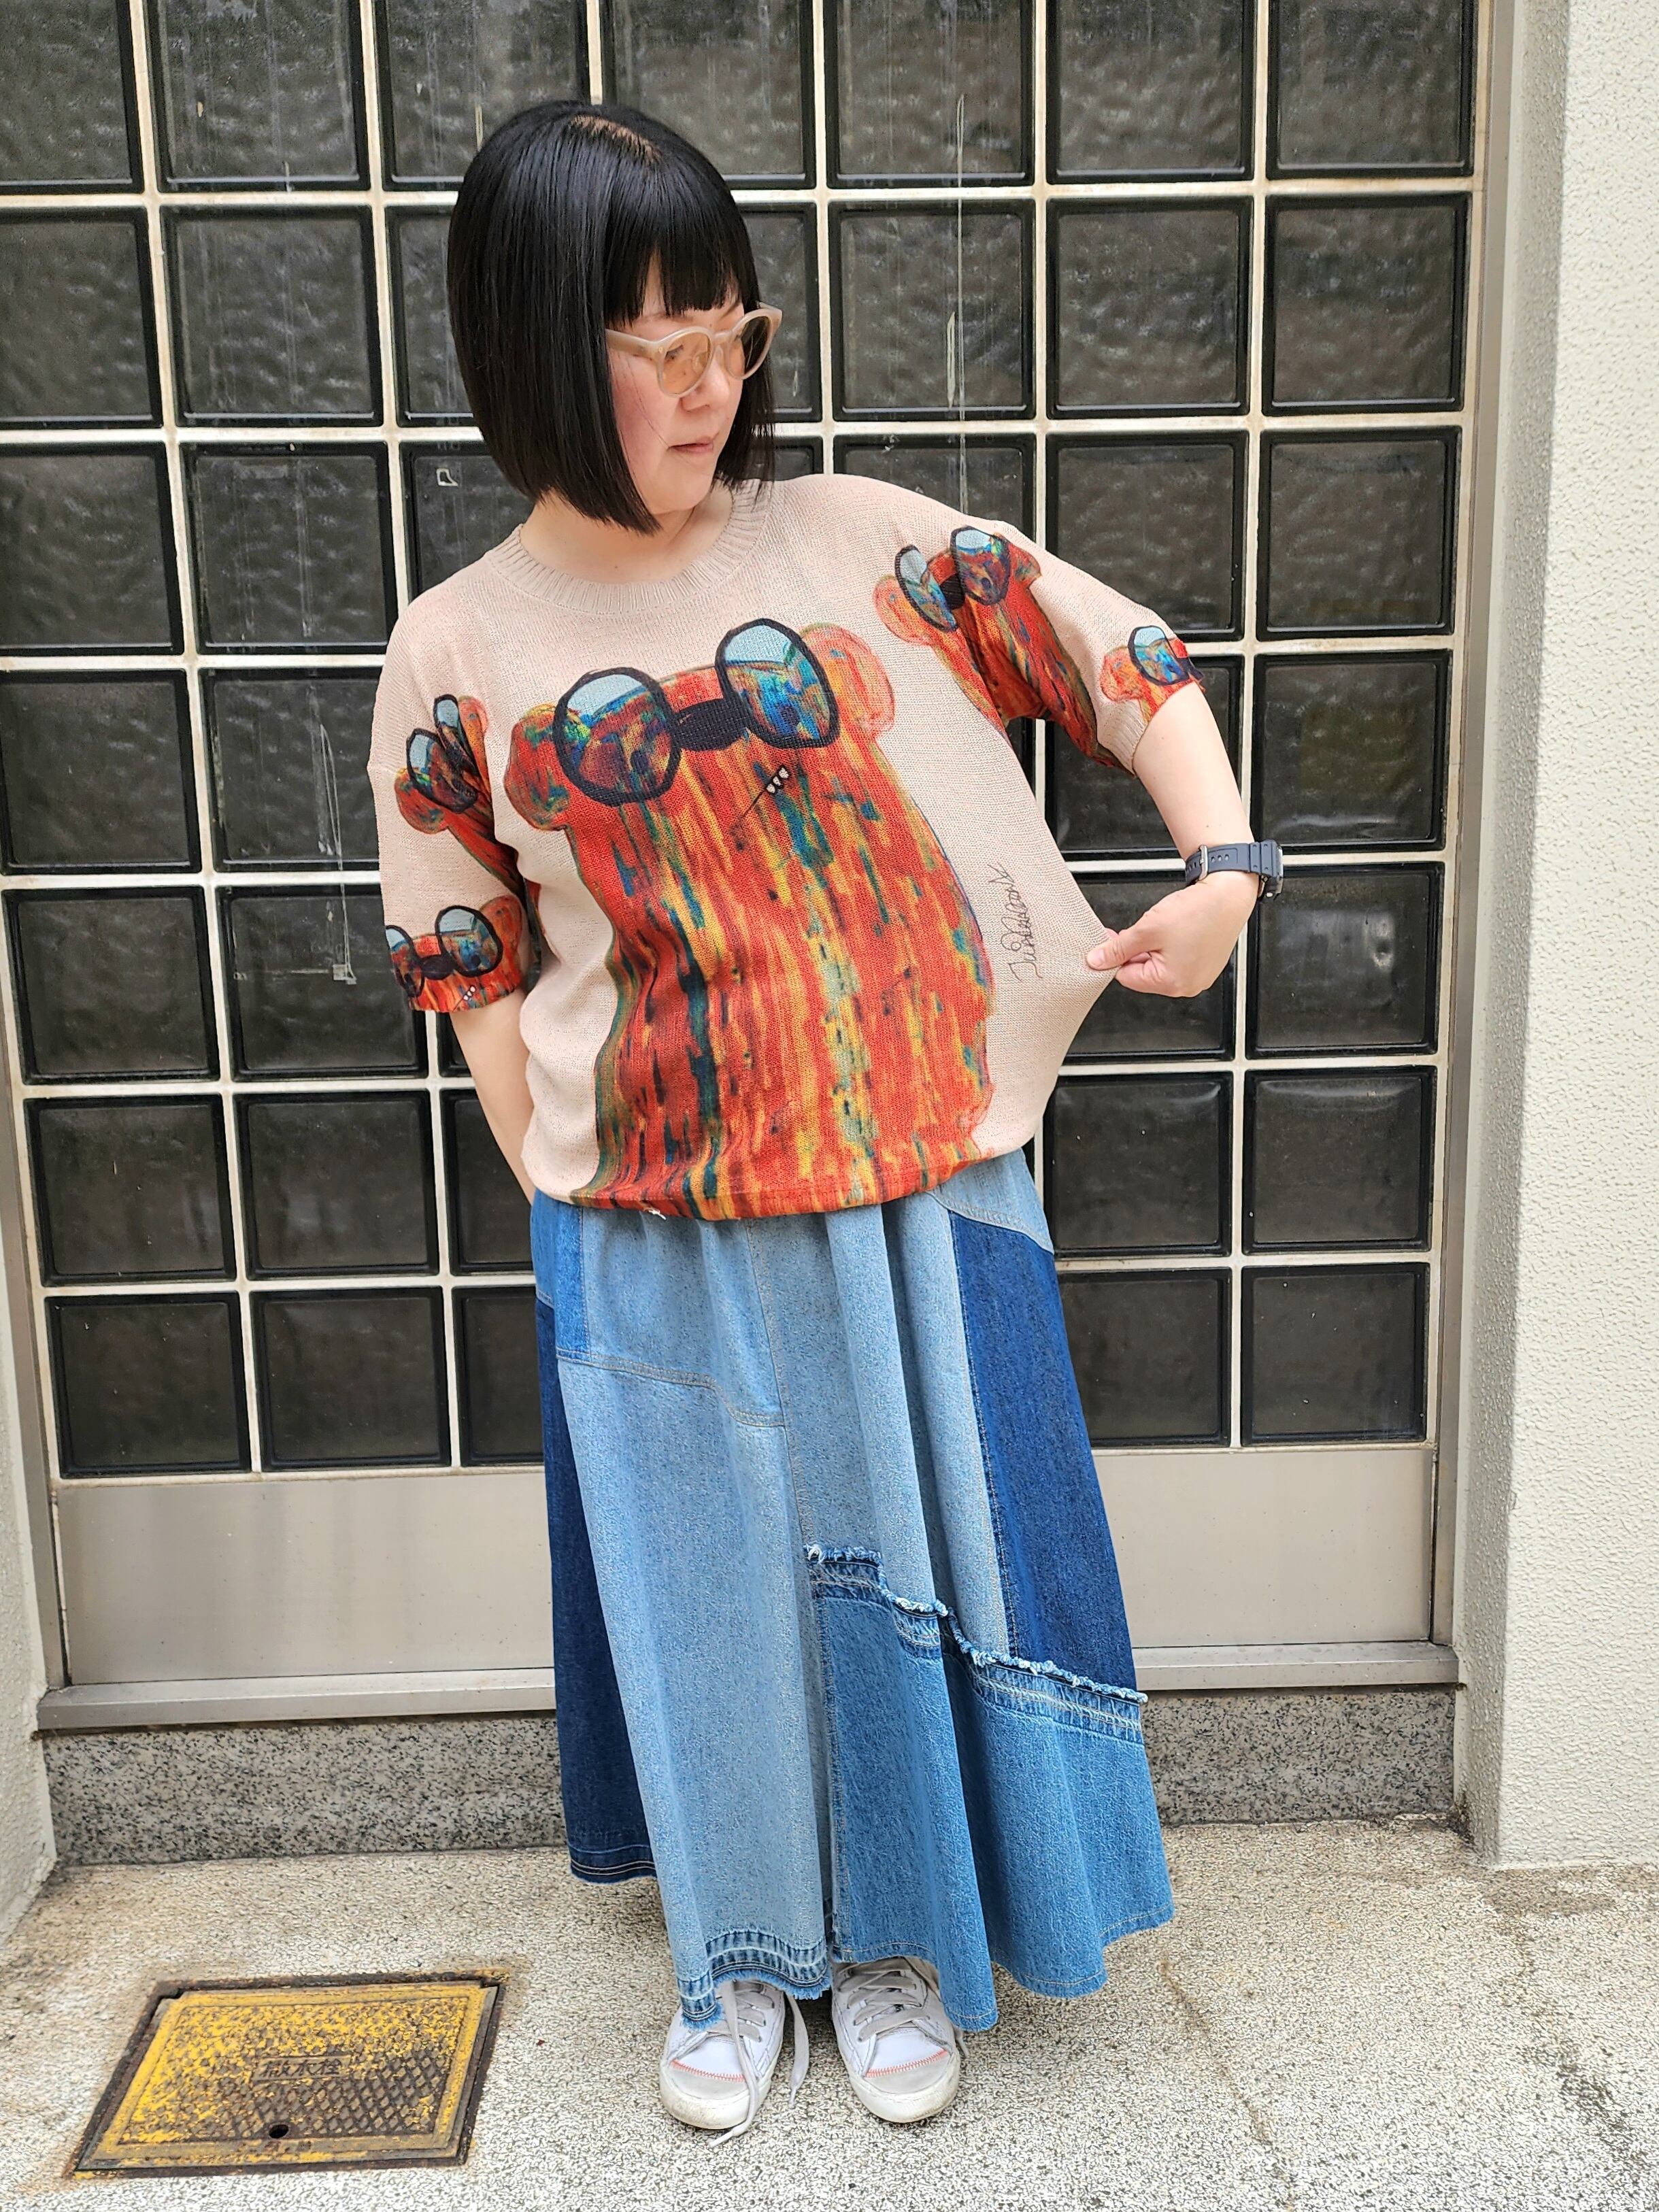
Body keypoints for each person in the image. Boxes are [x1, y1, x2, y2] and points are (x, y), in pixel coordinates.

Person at [367, 98, 1271, 2142]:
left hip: (914, 1180)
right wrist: (549, 1160)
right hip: (651, 1217)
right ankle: (741, 1953)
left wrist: (1222, 863)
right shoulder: (460, 645)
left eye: (733, 335)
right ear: (534, 349)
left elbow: (1114, 655)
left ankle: (897, 1942)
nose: (712, 386)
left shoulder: (857, 542)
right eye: (659, 346)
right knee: (709, 1591)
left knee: (915, 1569)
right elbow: (463, 947)